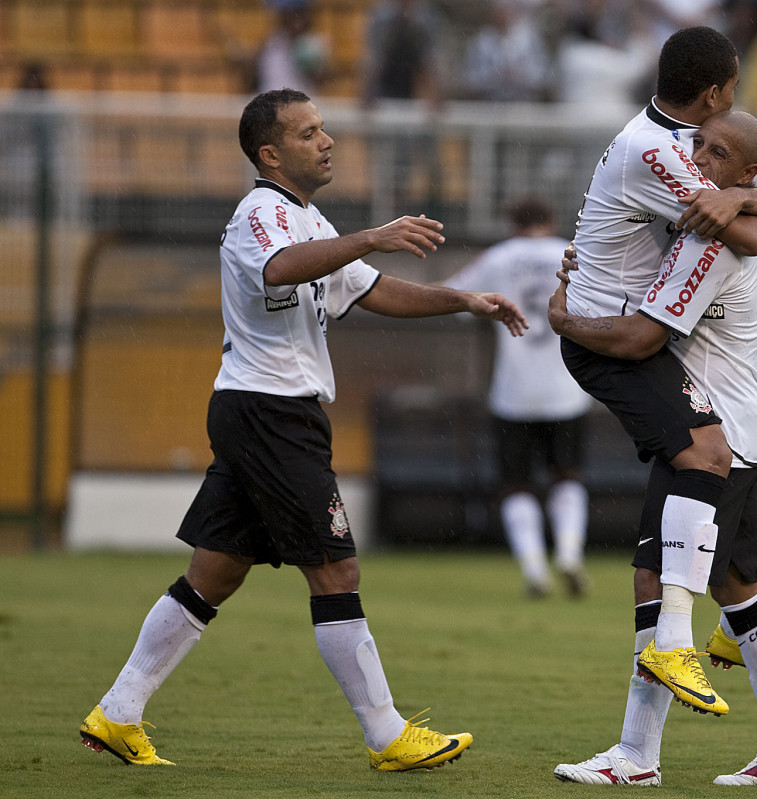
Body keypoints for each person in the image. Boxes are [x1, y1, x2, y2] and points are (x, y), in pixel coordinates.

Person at [78, 89, 528, 771]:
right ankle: (387, 733)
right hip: (269, 411)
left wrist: (461, 300)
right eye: (309, 132)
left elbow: (370, 288)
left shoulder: (309, 219)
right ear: (270, 153)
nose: (328, 141)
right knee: (336, 566)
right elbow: (280, 268)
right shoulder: (261, 213)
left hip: (270, 412)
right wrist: (372, 233)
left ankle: (118, 710)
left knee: (214, 572)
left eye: (325, 129)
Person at [550, 109, 757, 787]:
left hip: (714, 432)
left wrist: (567, 318)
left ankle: (636, 756)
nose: (697, 157)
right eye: (696, 143)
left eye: (716, 152)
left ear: (748, 172)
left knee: (656, 579)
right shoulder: (727, 214)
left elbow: (642, 340)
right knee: (743, 590)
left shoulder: (715, 243)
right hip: (750, 425)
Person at [442, 196, 593, 597]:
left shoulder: (500, 258)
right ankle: (570, 554)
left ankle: (533, 568)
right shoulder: (573, 253)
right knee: (568, 475)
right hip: (567, 389)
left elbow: (453, 299)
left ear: (512, 221)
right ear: (551, 218)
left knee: (515, 484)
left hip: (513, 393)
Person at [255, 1, 329, 96]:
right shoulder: (272, 41)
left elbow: (321, 80)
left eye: (289, 15)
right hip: (269, 105)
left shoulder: (312, 44)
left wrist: (303, 53)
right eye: (282, 15)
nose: (283, 19)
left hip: (299, 106)